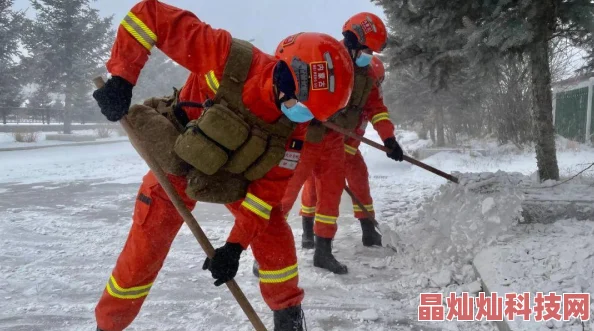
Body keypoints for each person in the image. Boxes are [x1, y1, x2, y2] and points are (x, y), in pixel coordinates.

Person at [91, 1, 354, 330]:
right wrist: (122, 78)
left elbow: (266, 192)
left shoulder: (294, 128)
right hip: (179, 159)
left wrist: (234, 246)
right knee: (144, 250)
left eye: (311, 114)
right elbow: (150, 16)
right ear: (287, 73)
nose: (302, 116)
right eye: (302, 105)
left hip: (234, 176)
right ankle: (109, 325)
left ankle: (289, 319)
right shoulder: (228, 56)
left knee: (274, 237)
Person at [279, 12, 403, 275]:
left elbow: (376, 109)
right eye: (367, 49)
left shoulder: (367, 76)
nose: (370, 55)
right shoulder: (322, 57)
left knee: (331, 195)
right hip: (307, 138)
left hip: (335, 142)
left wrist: (389, 138)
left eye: (373, 51)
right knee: (286, 192)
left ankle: (323, 252)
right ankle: (266, 250)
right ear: (352, 39)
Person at [300, 55, 399, 248]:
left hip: (349, 149)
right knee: (314, 185)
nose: (376, 86)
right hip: (326, 148)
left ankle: (368, 230)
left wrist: (389, 139)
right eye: (375, 82)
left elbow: (378, 113)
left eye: (378, 82)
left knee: (360, 179)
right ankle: (308, 231)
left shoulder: (367, 98)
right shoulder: (342, 92)